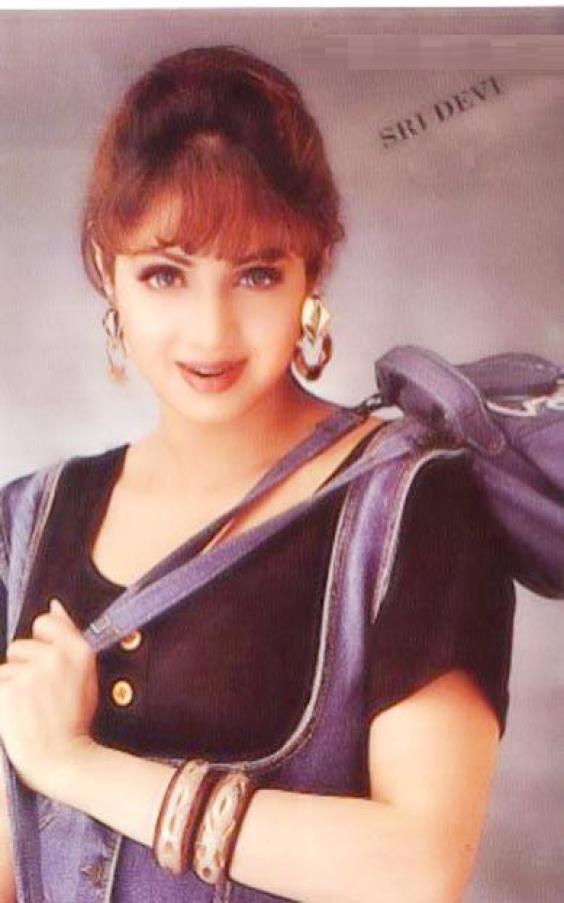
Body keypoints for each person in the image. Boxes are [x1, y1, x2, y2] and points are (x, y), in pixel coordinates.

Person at [0, 45, 515, 902]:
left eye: (256, 274)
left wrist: (76, 764)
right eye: (164, 274)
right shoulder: (28, 520)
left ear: (313, 270)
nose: (210, 332)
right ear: (106, 269)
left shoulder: (413, 508)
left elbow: (418, 871)